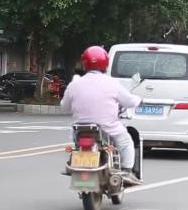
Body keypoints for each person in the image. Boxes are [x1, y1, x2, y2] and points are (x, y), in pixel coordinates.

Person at [60, 46, 141, 183]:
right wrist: (139, 100)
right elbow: (129, 101)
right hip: (108, 129)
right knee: (127, 143)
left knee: (75, 147)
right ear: (105, 64)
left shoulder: (75, 84)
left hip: (79, 130)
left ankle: (74, 164)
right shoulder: (112, 83)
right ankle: (127, 172)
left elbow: (65, 107)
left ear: (84, 63)